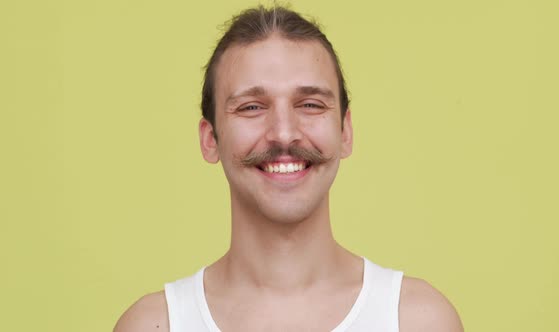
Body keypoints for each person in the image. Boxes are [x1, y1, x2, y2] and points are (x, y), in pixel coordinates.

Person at [114, 5, 463, 332]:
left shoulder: (418, 321)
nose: (283, 132)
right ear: (210, 139)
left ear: (345, 132)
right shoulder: (154, 324)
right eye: (251, 107)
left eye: (310, 105)